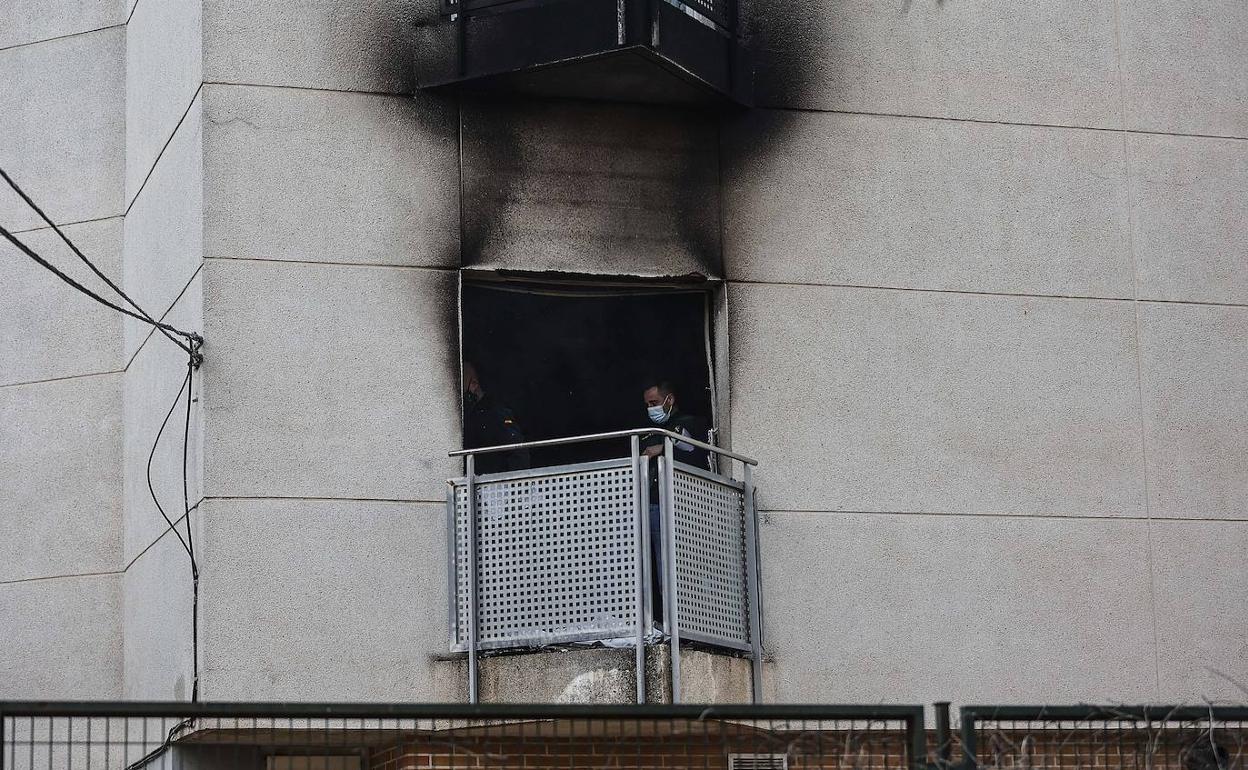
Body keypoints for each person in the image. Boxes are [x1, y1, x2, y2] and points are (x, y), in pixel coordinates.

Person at [639, 378, 711, 625]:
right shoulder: (649, 433)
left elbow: (694, 450)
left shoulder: (686, 424)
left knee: (681, 567)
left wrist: (664, 447)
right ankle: (662, 621)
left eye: (655, 402)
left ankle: (686, 624)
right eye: (648, 404)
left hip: (682, 506)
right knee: (654, 568)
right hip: (651, 506)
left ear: (670, 400)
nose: (651, 408)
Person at [462, 360, 530, 475]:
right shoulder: (471, 415)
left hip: (498, 486)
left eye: (463, 389)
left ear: (474, 384)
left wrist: (515, 486)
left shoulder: (496, 412)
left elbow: (518, 451)